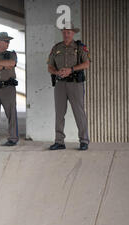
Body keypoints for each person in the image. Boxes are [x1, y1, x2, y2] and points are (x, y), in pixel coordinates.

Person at [47, 23, 90, 151]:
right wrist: (56, 72)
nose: (66, 34)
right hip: (60, 84)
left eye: (69, 32)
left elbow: (86, 64)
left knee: (79, 112)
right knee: (59, 113)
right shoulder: (56, 48)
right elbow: (50, 66)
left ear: (73, 33)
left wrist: (71, 69)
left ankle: (84, 141)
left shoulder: (79, 47)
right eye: (64, 32)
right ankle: (59, 141)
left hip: (75, 83)